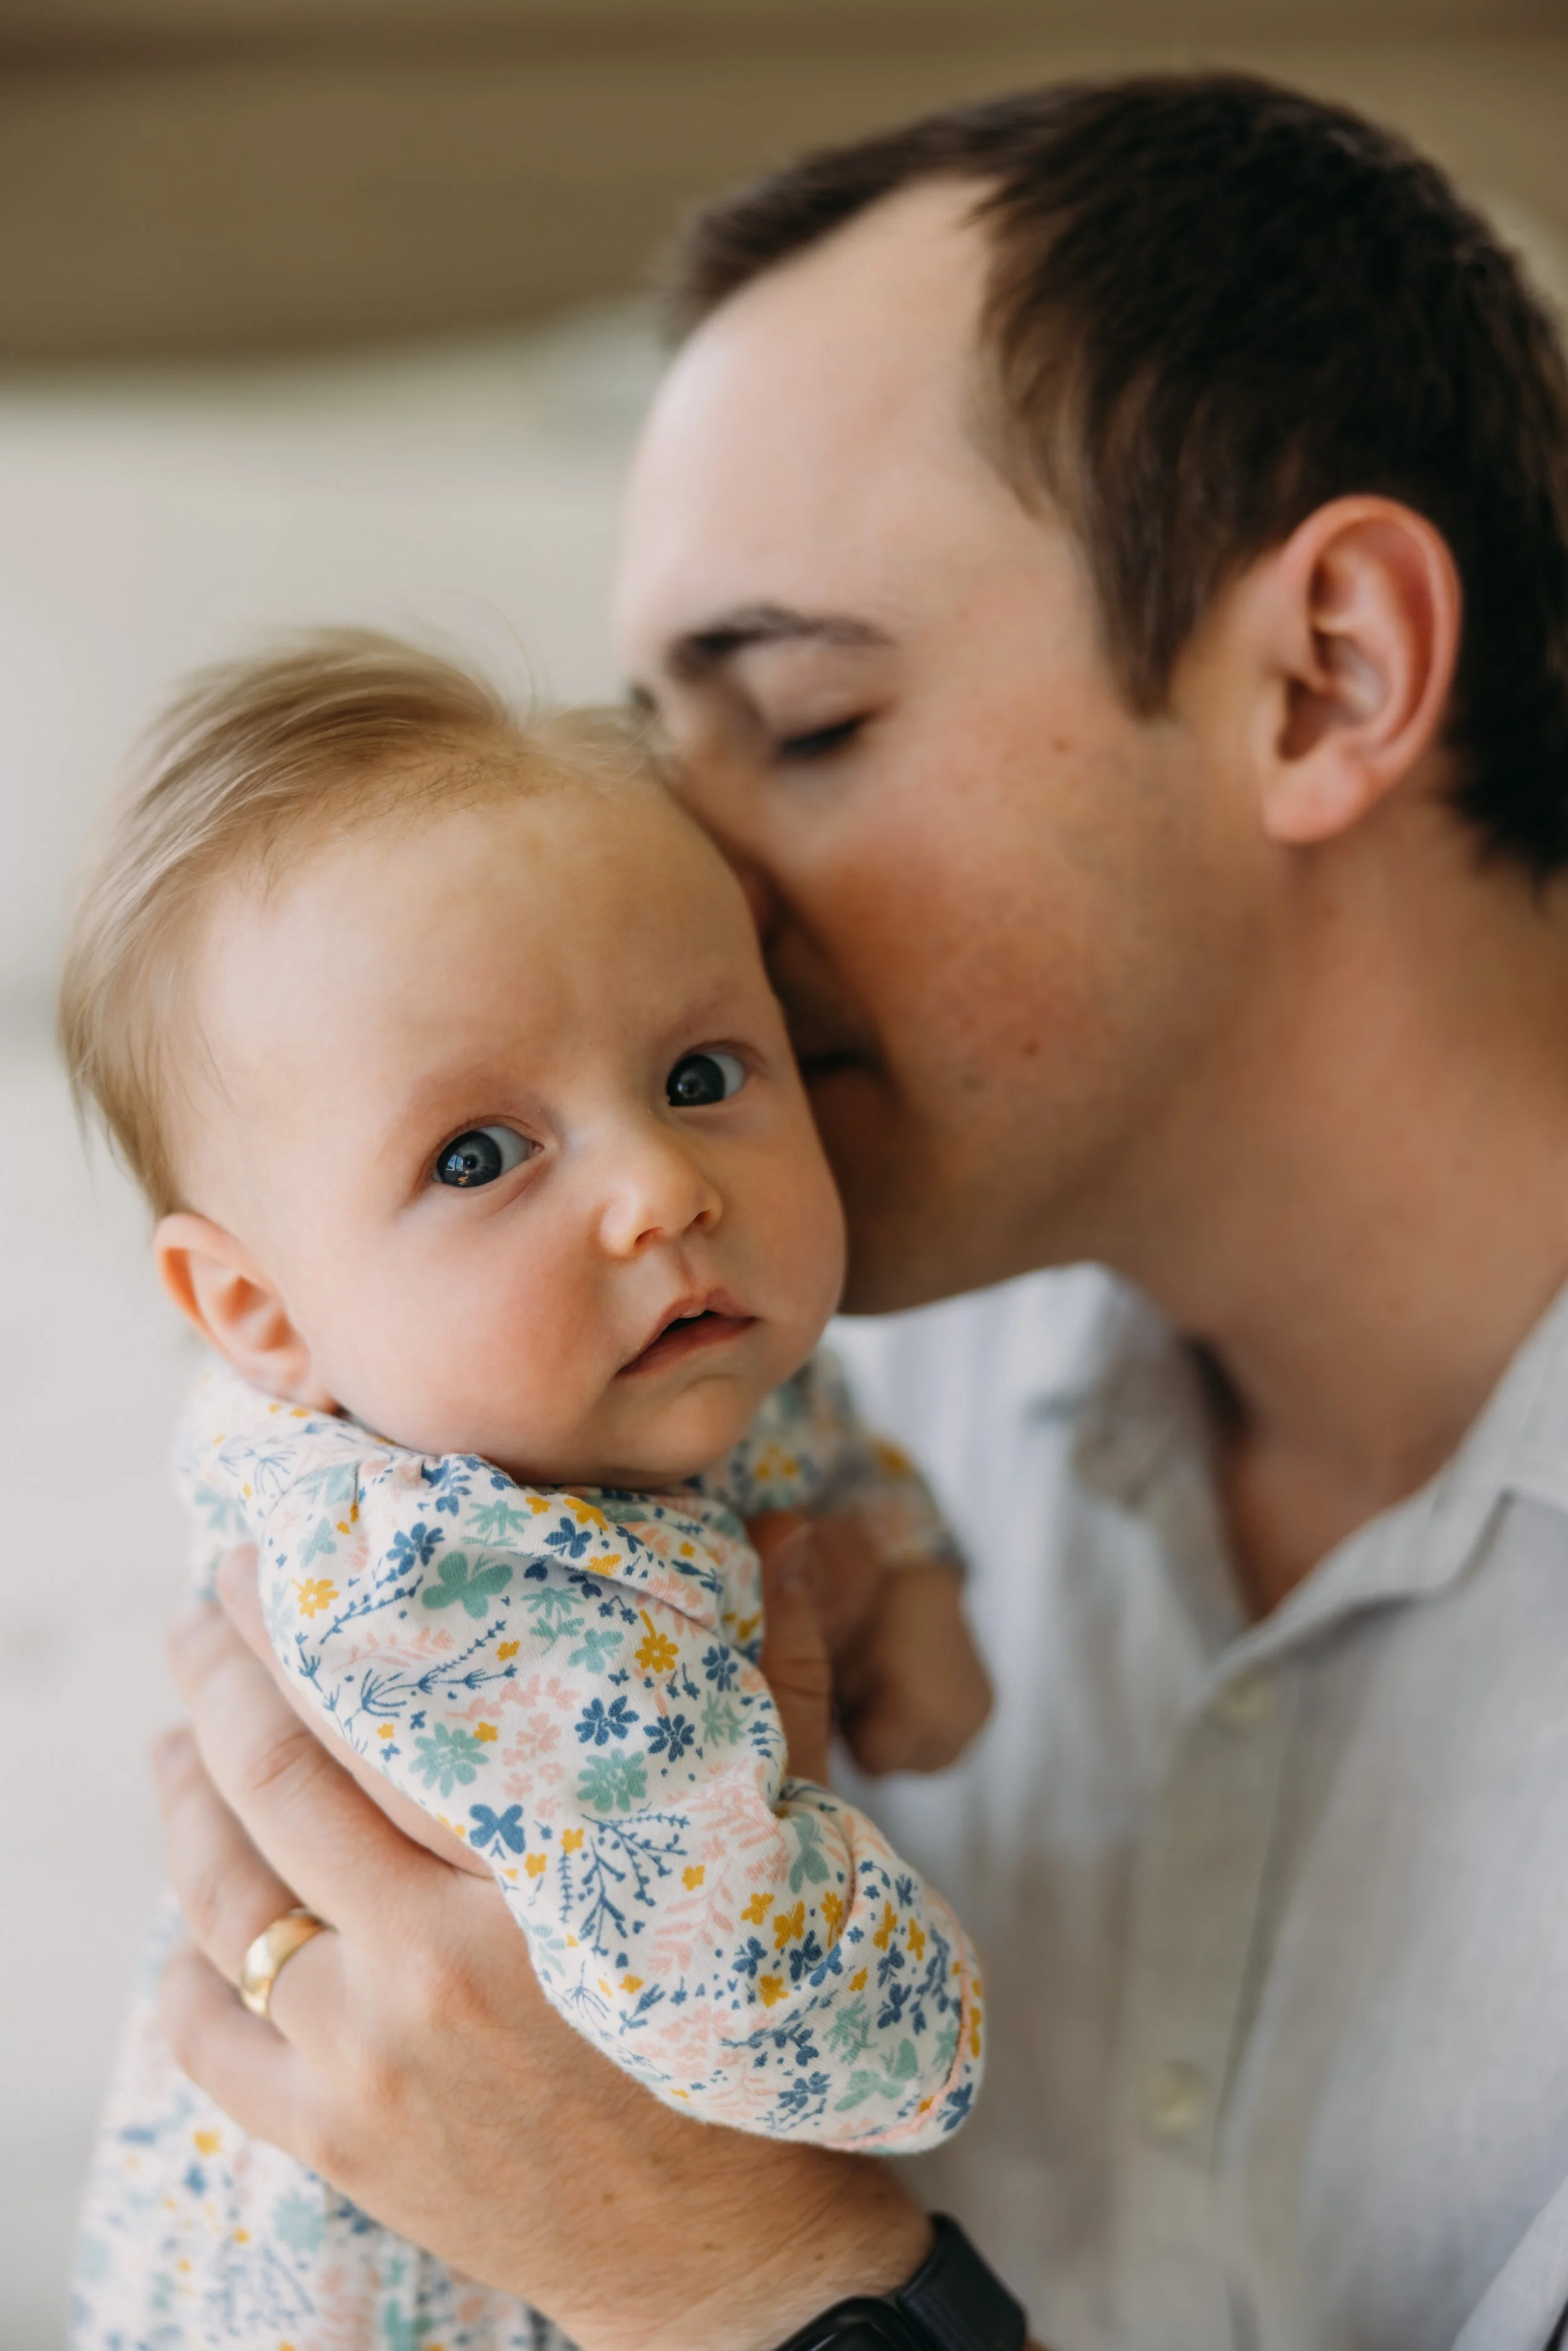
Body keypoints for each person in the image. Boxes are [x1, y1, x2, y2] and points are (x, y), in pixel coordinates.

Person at [144, 70, 1568, 2351]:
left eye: (805, 718)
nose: (681, 883)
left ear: (1328, 678)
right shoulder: (726, 1363)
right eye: (654, 753)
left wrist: (741, 2274)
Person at [60, 635, 992, 2342]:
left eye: (700, 1076)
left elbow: (805, 1411)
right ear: (262, 1312)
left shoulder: (639, 1364)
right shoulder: (443, 1592)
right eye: (479, 1156)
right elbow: (721, 1967)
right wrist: (933, 2031)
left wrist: (904, 1564)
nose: (661, 1189)